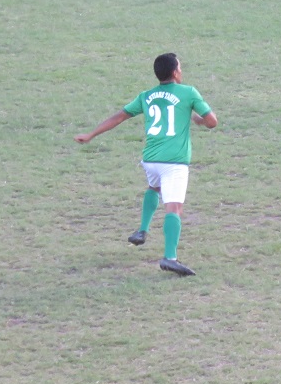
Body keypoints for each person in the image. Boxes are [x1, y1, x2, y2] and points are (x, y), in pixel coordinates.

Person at [75, 53, 218, 276]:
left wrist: (91, 134)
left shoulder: (147, 95)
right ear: (175, 72)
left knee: (154, 187)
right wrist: (197, 119)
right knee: (174, 208)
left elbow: (119, 117)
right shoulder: (188, 92)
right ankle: (170, 258)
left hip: (150, 159)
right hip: (174, 162)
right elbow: (212, 122)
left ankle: (142, 230)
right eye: (180, 67)